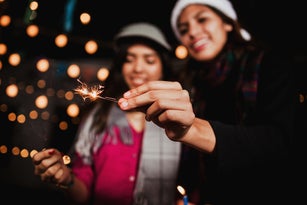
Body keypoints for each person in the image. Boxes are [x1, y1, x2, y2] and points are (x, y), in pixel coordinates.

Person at [118, 0, 297, 204]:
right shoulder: (187, 82)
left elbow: (280, 144)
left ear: (228, 22)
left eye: (202, 19)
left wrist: (192, 130)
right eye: (183, 29)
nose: (192, 32)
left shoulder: (269, 65)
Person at [32, 22, 181, 205]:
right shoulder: (97, 116)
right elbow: (82, 193)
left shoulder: (177, 118)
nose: (137, 68)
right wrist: (66, 177)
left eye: (149, 60)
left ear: (163, 67)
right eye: (129, 59)